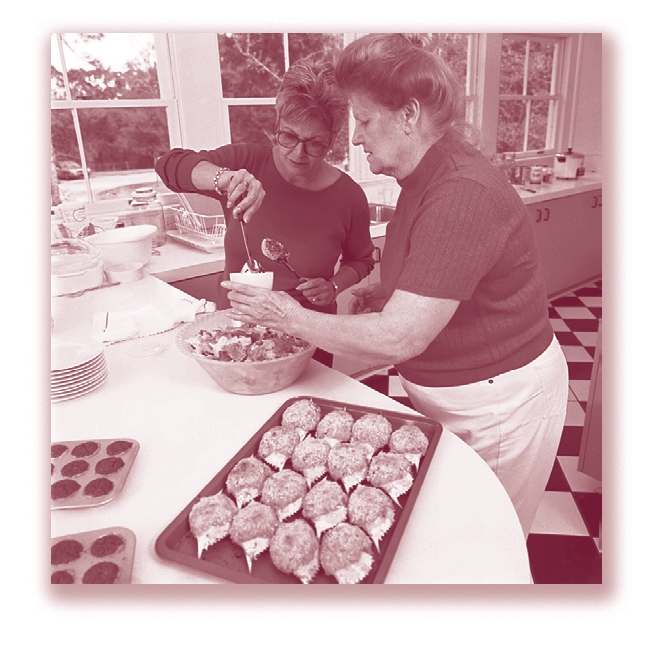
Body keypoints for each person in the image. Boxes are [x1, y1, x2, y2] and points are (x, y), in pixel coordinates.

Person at [222, 33, 569, 538]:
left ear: (408, 115)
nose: (356, 138)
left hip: (497, 406)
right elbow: (440, 261)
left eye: (363, 120)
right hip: (455, 395)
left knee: (487, 541)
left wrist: (285, 314)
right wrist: (385, 282)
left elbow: (401, 336)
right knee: (451, 531)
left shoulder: (460, 193)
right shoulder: (422, 175)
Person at [155, 58, 376, 366]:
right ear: (276, 127)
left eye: (314, 144)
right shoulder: (245, 163)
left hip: (309, 336)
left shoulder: (348, 196)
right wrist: (225, 179)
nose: (298, 153)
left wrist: (334, 285)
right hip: (235, 332)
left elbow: (362, 260)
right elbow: (168, 165)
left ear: (332, 141)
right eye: (288, 136)